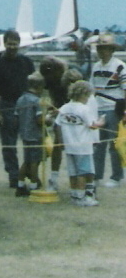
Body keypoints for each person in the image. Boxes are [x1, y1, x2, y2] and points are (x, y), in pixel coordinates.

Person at [0, 30, 35, 188]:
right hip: (7, 105)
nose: (12, 47)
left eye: (15, 44)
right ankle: (14, 176)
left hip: (26, 105)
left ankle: (30, 172)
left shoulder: (27, 62)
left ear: (19, 44)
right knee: (9, 144)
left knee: (30, 141)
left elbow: (35, 84)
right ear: (4, 43)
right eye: (9, 44)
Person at [55, 79, 103, 206]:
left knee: (73, 173)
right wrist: (102, 121)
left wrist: (61, 141)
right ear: (83, 95)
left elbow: (58, 125)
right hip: (83, 147)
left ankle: (75, 195)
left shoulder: (64, 108)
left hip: (69, 146)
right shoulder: (84, 109)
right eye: (88, 96)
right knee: (83, 172)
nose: (88, 99)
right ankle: (82, 198)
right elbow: (92, 125)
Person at [88, 32, 125, 188]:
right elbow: (91, 88)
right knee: (98, 144)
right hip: (98, 108)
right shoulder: (96, 66)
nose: (102, 51)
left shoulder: (120, 66)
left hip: (113, 108)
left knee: (114, 143)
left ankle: (116, 176)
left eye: (105, 48)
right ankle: (97, 175)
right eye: (99, 48)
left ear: (111, 50)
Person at [39, 56, 68, 191]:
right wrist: (51, 110)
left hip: (74, 112)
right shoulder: (49, 80)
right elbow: (49, 97)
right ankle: (54, 178)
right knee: (58, 143)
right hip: (59, 112)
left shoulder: (69, 78)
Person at [14, 73, 45, 197]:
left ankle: (20, 185)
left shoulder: (20, 99)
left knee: (26, 161)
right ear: (39, 87)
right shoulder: (36, 101)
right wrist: (47, 119)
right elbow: (39, 120)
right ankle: (33, 186)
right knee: (34, 162)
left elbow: (16, 118)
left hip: (25, 135)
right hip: (35, 135)